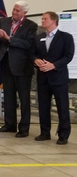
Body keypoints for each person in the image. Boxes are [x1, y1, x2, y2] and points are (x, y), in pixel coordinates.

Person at [0, 0, 37, 138]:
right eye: (14, 9)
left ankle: (24, 128)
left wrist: (9, 38)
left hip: (22, 67)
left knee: (24, 99)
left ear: (25, 12)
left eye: (18, 10)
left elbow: (28, 44)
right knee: (8, 97)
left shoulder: (31, 26)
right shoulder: (3, 22)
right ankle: (9, 124)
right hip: (6, 64)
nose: (14, 12)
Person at [32, 12, 74, 145]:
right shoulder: (39, 37)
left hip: (58, 77)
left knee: (62, 106)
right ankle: (45, 132)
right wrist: (35, 61)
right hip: (43, 77)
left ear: (54, 21)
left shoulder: (65, 37)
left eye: (45, 19)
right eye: (42, 18)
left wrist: (53, 65)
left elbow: (68, 56)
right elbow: (32, 54)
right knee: (43, 106)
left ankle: (63, 134)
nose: (42, 21)